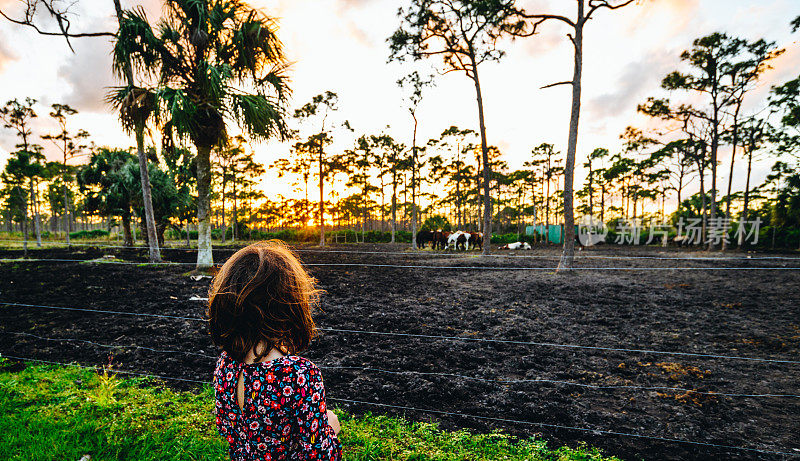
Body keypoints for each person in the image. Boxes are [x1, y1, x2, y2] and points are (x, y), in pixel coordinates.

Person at [208, 241, 342, 460]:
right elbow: (319, 455)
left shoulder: (226, 363)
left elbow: (226, 427)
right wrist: (330, 428)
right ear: (290, 305)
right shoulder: (299, 375)